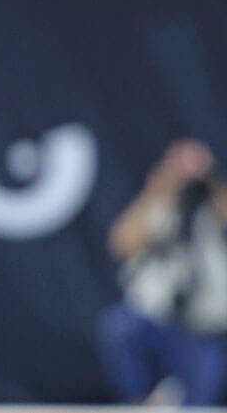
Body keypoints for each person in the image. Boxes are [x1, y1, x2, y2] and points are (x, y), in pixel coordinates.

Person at [97, 139, 227, 405]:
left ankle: (175, 399)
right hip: (155, 320)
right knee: (119, 326)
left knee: (201, 396)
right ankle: (140, 400)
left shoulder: (213, 208)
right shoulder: (159, 206)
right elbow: (121, 243)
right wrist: (161, 188)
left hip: (202, 329)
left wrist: (207, 187)